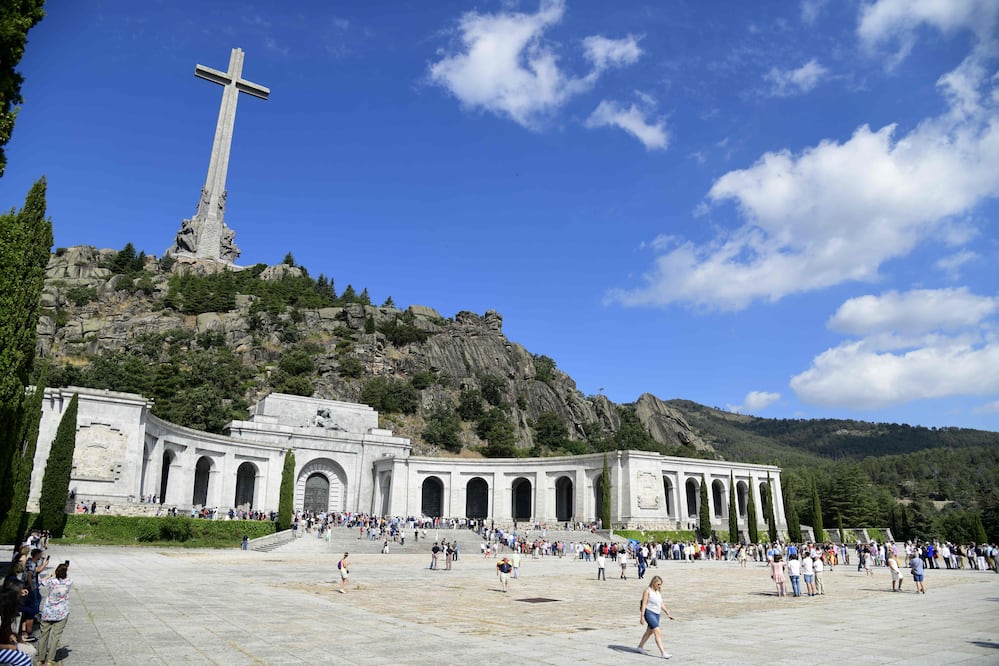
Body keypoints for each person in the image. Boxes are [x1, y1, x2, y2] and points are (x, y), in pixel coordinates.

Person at [37, 562, 72, 666]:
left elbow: (41, 582)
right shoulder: (69, 582)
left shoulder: (51, 582)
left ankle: (40, 658)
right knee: (56, 636)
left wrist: (50, 575)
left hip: (48, 611)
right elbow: (66, 578)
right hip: (62, 611)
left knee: (43, 635)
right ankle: (50, 659)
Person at [637, 575, 673, 659]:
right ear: (653, 583)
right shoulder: (647, 591)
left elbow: (661, 603)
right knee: (657, 631)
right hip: (649, 613)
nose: (659, 586)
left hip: (657, 613)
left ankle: (640, 647)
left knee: (649, 632)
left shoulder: (658, 592)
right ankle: (663, 653)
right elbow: (644, 604)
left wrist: (667, 613)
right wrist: (642, 616)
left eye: (660, 584)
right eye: (658, 584)